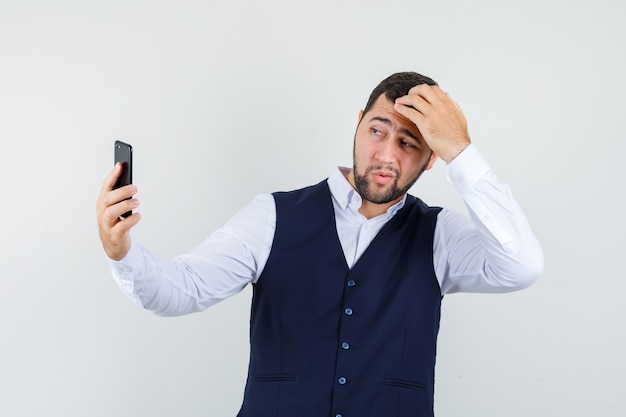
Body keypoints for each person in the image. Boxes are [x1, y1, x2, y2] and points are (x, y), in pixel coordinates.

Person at [96, 72, 543, 417]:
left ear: (431, 161)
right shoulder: (272, 215)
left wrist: (461, 151)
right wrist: (123, 252)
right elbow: (182, 289)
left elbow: (521, 266)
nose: (387, 155)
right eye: (377, 131)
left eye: (410, 143)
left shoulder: (441, 236)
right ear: (357, 125)